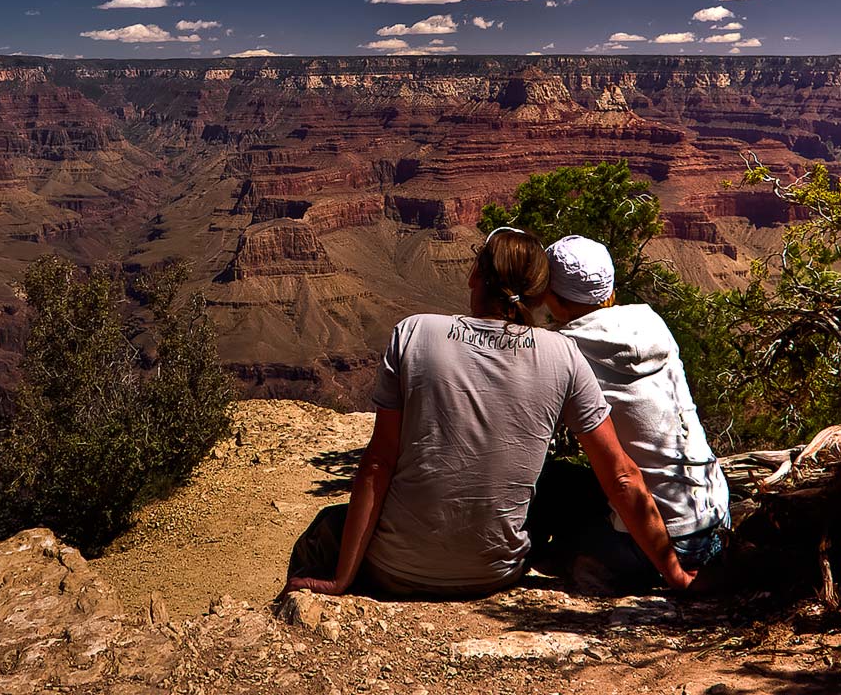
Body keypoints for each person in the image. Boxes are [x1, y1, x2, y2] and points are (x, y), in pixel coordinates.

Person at [283, 227, 695, 597]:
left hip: (395, 571)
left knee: (323, 529)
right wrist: (676, 576)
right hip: (496, 574)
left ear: (474, 277)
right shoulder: (564, 354)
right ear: (539, 295)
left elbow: (377, 464)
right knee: (574, 487)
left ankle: (292, 605)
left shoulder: (413, 332)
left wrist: (341, 580)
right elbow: (622, 476)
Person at [537, 234, 730, 589]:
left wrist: (674, 574)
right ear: (609, 292)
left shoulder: (563, 351)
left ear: (551, 297)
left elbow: (623, 479)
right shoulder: (651, 322)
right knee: (573, 480)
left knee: (546, 485)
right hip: (715, 516)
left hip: (662, 545)